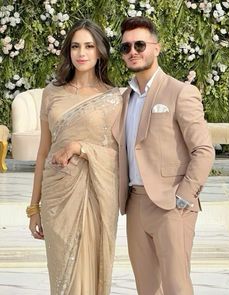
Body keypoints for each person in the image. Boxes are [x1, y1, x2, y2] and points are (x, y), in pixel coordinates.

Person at [112, 16, 215, 295]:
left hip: (171, 205)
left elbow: (203, 150)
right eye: (126, 47)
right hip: (135, 204)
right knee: (146, 288)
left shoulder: (181, 92)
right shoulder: (124, 98)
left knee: (176, 287)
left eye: (140, 44)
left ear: (157, 48)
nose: (133, 51)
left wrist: (184, 196)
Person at [27, 19, 122, 295]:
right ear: (68, 51)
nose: (82, 53)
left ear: (100, 52)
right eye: (76, 46)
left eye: (89, 46)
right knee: (61, 276)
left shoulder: (114, 98)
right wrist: (35, 207)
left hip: (95, 195)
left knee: (89, 270)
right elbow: (43, 151)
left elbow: (119, 154)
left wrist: (82, 148)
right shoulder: (52, 94)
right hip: (58, 198)